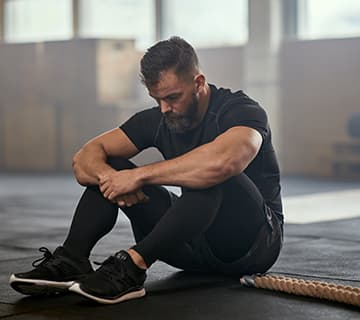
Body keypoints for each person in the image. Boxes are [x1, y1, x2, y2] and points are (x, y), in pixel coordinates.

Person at [9, 36, 283, 304]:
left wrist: (137, 176)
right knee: (109, 165)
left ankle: (133, 266)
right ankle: (72, 258)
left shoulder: (241, 110)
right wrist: (112, 179)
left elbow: (224, 162)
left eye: (173, 97)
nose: (165, 108)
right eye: (157, 99)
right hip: (188, 248)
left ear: (198, 82)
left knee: (212, 176)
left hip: (251, 246)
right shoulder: (159, 117)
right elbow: (84, 158)